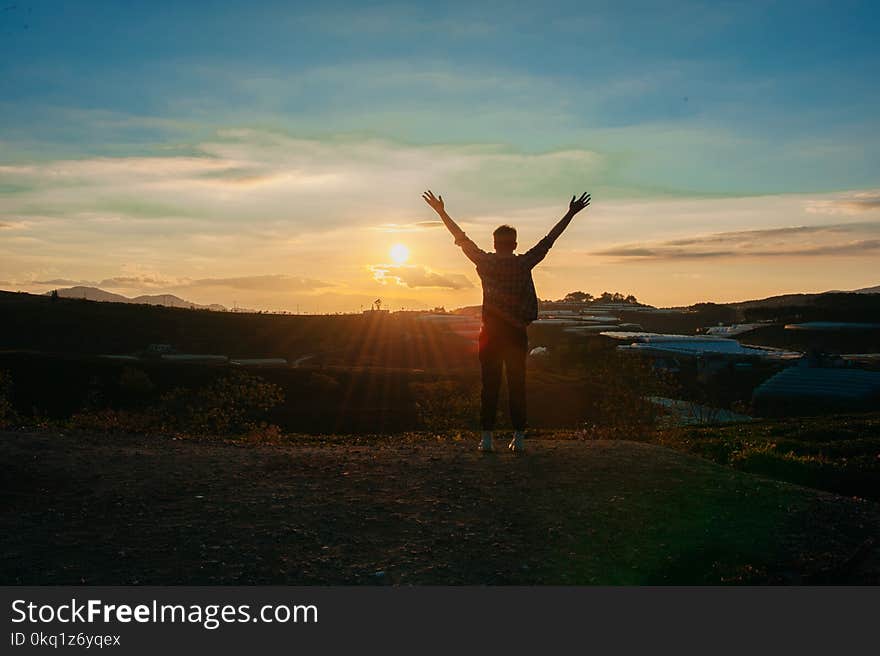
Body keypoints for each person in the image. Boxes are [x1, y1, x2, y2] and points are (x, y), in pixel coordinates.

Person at [422, 190, 591, 453]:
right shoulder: (523, 263)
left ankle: (487, 438)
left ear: (494, 242)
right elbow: (549, 240)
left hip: (489, 334)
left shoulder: (484, 263)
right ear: (514, 244)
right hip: (516, 334)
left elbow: (461, 238)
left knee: (489, 386)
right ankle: (519, 437)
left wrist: (441, 212)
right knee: (517, 385)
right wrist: (570, 213)